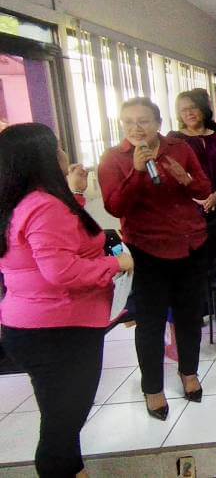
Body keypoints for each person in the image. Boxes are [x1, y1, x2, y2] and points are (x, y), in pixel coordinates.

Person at [0, 123, 134, 477]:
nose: (64, 154)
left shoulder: (16, 200)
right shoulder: (44, 206)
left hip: (28, 325)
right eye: (58, 147)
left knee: (58, 415)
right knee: (61, 428)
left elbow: (48, 243)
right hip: (60, 329)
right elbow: (60, 271)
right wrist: (116, 263)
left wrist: (73, 193)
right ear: (41, 157)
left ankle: (75, 470)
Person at [98, 97, 211, 420]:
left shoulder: (179, 148)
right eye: (128, 122)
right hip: (147, 252)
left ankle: (189, 372)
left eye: (143, 121)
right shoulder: (113, 159)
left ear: (158, 124)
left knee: (190, 317)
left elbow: (203, 188)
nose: (136, 128)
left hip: (190, 244)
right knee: (150, 324)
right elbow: (115, 207)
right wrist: (135, 173)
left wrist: (184, 178)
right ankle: (153, 388)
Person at [168, 89, 216, 324]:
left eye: (192, 108)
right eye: (183, 109)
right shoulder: (174, 140)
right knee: (196, 259)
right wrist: (197, 197)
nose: (188, 113)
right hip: (190, 208)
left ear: (203, 109)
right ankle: (200, 308)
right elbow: (172, 175)